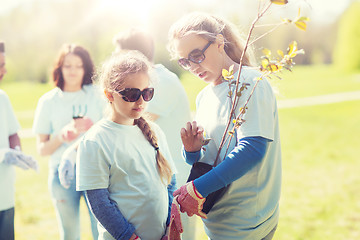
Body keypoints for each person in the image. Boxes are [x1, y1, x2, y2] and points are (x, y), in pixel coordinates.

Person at [167, 12, 281, 240]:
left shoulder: (249, 82)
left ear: (220, 43)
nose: (192, 66)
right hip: (218, 223)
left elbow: (252, 149)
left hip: (247, 223)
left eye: (196, 55)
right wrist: (192, 151)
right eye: (184, 61)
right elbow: (204, 158)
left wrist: (197, 190)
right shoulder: (203, 96)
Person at [76, 50, 178, 240]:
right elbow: (99, 202)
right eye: (131, 94)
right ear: (109, 95)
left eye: (147, 92)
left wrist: (169, 228)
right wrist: (129, 236)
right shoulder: (95, 141)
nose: (140, 101)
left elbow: (170, 184)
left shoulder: (155, 131)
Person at [112, 28, 196, 239]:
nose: (114, 57)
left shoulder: (161, 81)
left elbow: (133, 127)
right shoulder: (145, 81)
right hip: (156, 180)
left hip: (175, 183)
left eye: (118, 52)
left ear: (132, 55)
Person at [32, 44, 104, 240]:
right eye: (68, 65)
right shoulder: (48, 101)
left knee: (102, 231)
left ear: (86, 68)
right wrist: (62, 136)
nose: (73, 71)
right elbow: (42, 149)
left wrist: (92, 128)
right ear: (59, 68)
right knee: (69, 234)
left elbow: (109, 132)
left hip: (95, 172)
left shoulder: (97, 95)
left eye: (78, 66)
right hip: (61, 175)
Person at [0, 41, 38, 240]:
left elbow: (12, 133)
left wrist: (17, 152)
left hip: (4, 197)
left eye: (4, 64)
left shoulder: (2, 97)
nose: (4, 71)